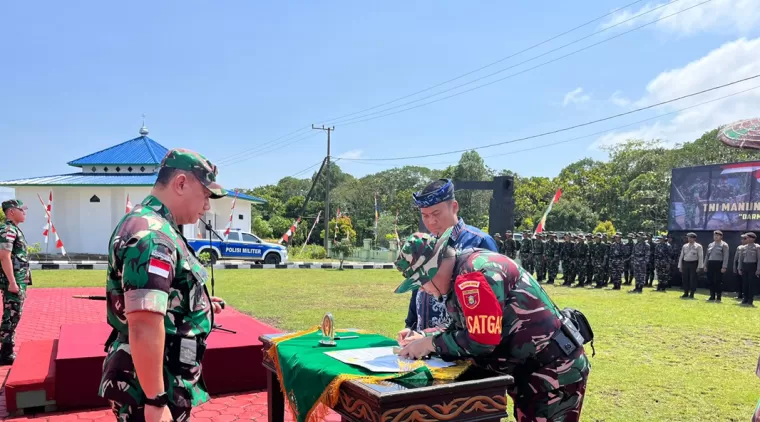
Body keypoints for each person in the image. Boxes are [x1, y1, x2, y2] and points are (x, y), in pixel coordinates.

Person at [394, 228, 590, 421]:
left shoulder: (472, 277)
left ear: (432, 271)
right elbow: (469, 327)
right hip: (535, 371)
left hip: (554, 373)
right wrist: (425, 337)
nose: (421, 289)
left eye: (420, 282)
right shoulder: (462, 272)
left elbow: (481, 340)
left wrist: (430, 344)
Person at [98, 148, 228, 421]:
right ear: (181, 183)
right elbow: (144, 324)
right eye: (205, 195)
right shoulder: (153, 237)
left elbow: (159, 297)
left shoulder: (153, 225)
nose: (207, 206)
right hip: (155, 385)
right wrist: (155, 401)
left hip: (160, 376)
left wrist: (197, 303)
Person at [400, 179, 498, 344]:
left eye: (436, 214)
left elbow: (490, 305)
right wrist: (411, 326)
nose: (431, 222)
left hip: (461, 344)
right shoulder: (427, 243)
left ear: (454, 207)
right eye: (425, 215)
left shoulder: (478, 242)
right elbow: (418, 286)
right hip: (425, 341)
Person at [0, 199, 30, 365]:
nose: (24, 212)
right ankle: (6, 352)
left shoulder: (14, 229)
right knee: (11, 314)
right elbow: (4, 256)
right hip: (13, 281)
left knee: (14, 313)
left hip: (18, 279)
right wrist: (12, 281)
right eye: (21, 209)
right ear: (11, 211)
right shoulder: (8, 230)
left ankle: (6, 349)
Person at [705, 230, 729, 302]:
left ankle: (718, 297)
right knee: (710, 280)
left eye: (717, 235)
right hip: (710, 263)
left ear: (721, 236)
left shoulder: (724, 245)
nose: (715, 237)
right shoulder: (710, 245)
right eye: (714, 235)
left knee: (718, 281)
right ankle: (712, 296)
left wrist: (724, 266)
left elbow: (726, 256)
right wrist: (705, 265)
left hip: (719, 263)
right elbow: (707, 256)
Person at [678, 232, 703, 299]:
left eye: (690, 237)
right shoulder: (685, 246)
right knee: (685, 278)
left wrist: (699, 267)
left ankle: (692, 293)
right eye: (688, 237)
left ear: (694, 238)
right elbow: (681, 256)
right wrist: (680, 266)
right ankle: (685, 292)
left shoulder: (698, 246)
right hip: (686, 263)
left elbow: (700, 257)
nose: (689, 239)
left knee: (693, 279)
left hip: (694, 263)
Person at [738, 232, 759, 306]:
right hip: (745, 265)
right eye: (747, 238)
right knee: (745, 283)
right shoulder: (743, 247)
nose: (747, 239)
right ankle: (745, 299)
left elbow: (759, 259)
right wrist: (739, 268)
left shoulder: (757, 247)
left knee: (751, 284)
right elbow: (740, 259)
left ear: (753, 238)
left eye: (748, 237)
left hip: (752, 266)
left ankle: (750, 300)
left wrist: (758, 269)